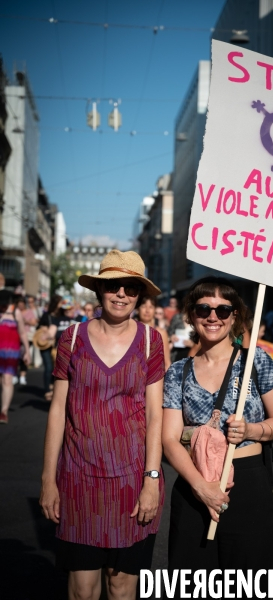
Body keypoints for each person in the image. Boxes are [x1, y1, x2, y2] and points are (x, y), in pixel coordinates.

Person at [39, 249, 165, 600]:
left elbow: (156, 415)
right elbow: (58, 410)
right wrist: (48, 479)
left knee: (122, 586)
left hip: (132, 480)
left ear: (140, 294)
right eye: (113, 286)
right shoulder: (72, 338)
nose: (121, 294)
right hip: (78, 481)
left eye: (130, 287)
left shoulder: (151, 341)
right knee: (82, 589)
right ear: (99, 290)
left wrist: (152, 480)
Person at [162, 277, 273, 594]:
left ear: (235, 316)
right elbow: (169, 438)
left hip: (248, 486)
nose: (213, 316)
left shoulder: (256, 361)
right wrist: (201, 487)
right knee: (191, 587)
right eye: (204, 308)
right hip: (195, 485)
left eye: (223, 309)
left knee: (246, 586)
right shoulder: (177, 372)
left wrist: (252, 430)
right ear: (191, 315)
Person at [0, 291, 30, 424]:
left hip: (11, 352)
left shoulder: (15, 312)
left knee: (7, 379)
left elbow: (22, 333)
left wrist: (27, 351)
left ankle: (4, 411)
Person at [37, 296, 74, 401]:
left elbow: (53, 332)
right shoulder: (47, 315)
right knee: (51, 368)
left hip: (58, 348)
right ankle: (50, 391)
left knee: (58, 370)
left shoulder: (60, 318)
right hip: (49, 345)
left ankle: (55, 390)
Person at [137, 295, 171, 370]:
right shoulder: (131, 330)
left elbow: (167, 362)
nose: (147, 310)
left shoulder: (161, 333)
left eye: (151, 307)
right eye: (143, 306)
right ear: (137, 308)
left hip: (154, 378)